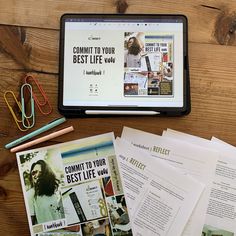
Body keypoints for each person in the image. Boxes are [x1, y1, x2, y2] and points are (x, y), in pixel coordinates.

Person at [27, 160, 64, 225]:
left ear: (46, 174)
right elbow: (31, 225)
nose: (36, 175)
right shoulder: (30, 194)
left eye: (40, 173)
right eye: (34, 172)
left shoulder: (54, 192)